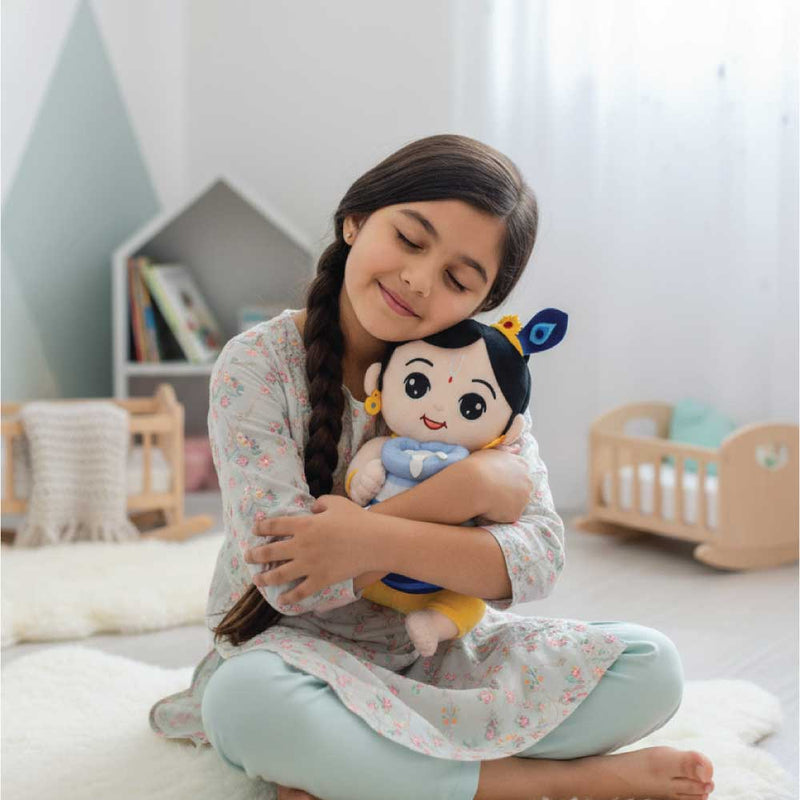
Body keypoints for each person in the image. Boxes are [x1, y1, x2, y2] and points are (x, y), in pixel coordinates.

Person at [148, 134, 715, 800]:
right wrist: (465, 492)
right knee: (245, 706)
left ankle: (366, 772)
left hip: (437, 655)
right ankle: (544, 785)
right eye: (411, 240)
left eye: (456, 278)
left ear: (479, 304)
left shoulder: (483, 385)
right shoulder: (257, 366)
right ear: (356, 219)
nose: (418, 279)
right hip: (294, 662)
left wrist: (362, 538)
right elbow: (296, 584)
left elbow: (535, 560)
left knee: (652, 667)